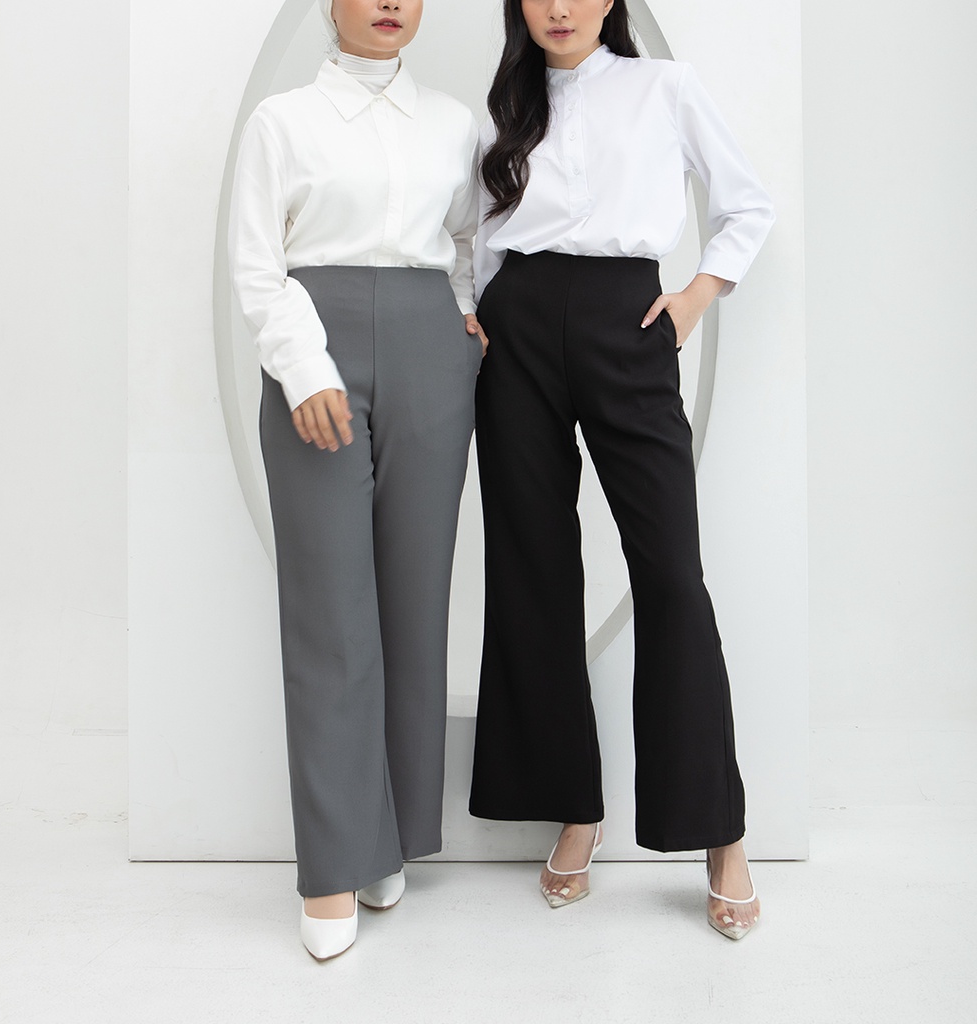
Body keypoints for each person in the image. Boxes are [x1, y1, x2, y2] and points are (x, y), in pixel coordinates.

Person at [468, 0, 775, 940]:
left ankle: (719, 832)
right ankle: (575, 807)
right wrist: (473, 306)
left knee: (671, 574)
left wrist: (695, 296)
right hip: (517, 329)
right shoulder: (506, 103)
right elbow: (474, 228)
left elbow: (747, 202)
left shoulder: (663, 86)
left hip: (626, 321)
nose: (559, 7)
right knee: (531, 568)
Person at [229, 0, 487, 961]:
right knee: (330, 610)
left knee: (415, 602)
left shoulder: (454, 123)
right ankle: (334, 863)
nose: (389, 3)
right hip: (317, 339)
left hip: (431, 353)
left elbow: (468, 241)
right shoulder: (282, 122)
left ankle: (392, 835)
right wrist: (304, 367)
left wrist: (462, 321)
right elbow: (258, 264)